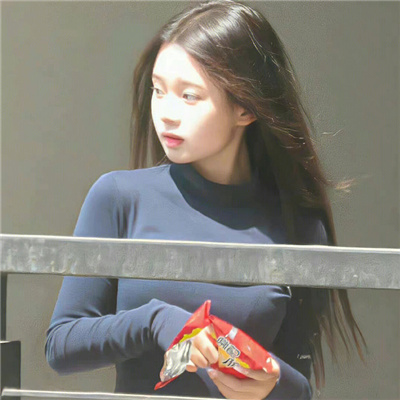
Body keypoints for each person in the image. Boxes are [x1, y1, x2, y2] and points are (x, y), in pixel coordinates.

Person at [45, 0, 367, 399]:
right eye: (158, 90)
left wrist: (271, 379)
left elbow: (300, 385)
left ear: (245, 108)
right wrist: (157, 321)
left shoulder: (299, 224)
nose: (166, 113)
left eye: (189, 96)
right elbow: (61, 344)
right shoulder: (118, 198)